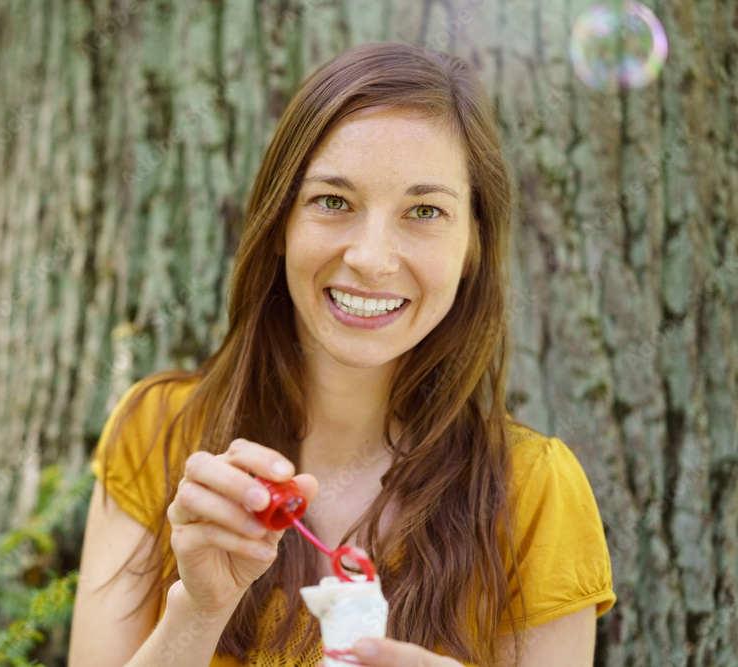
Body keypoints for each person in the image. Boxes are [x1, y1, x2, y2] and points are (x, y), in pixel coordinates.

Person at [69, 42, 615, 667]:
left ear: (473, 250)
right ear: (280, 222)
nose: (371, 258)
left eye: (425, 211)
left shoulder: (535, 492)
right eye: (333, 201)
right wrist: (199, 610)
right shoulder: (158, 432)